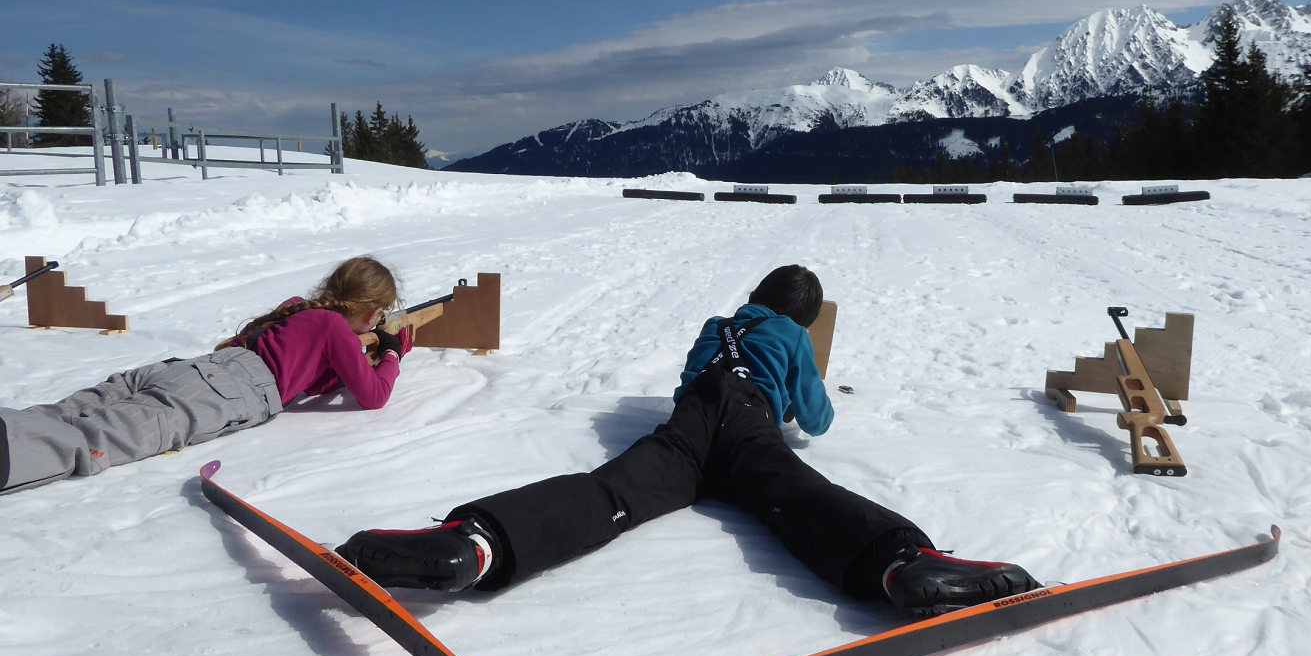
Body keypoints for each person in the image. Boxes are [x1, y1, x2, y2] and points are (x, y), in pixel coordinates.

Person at [340, 265, 1037, 620]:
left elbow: (688, 380)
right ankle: (903, 564)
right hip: (745, 421)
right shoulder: (793, 335)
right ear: (802, 315)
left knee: (610, 492)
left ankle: (475, 544)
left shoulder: (718, 323)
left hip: (690, 423)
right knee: (795, 493)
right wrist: (796, 391)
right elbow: (818, 420)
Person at [0, 256, 414, 495]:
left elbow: (314, 377)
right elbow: (373, 395)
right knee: (96, 440)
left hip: (193, 369)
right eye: (380, 314)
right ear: (373, 310)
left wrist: (364, 352)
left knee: (68, 412)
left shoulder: (300, 308)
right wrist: (392, 352)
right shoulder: (334, 327)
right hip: (230, 390)